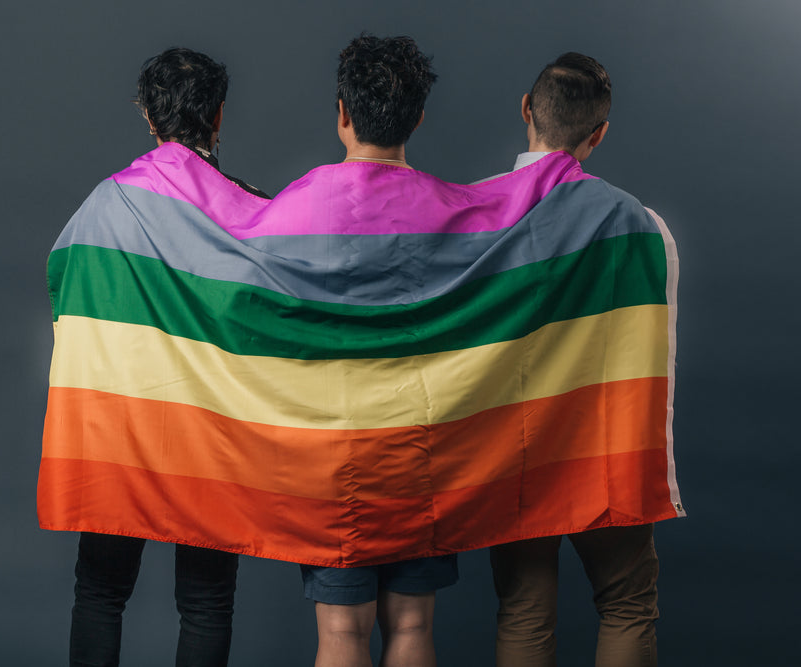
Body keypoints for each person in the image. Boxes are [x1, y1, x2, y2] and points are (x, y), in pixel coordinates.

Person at [63, 47, 267, 667]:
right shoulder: (257, 210)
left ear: (148, 117)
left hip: (122, 426)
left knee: (100, 591)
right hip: (213, 432)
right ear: (219, 117)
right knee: (207, 602)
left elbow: (67, 292)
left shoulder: (106, 204)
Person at [485, 52, 661, 667]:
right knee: (626, 604)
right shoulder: (642, 226)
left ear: (526, 110)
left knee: (523, 609)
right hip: (604, 447)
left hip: (513, 450)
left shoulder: (471, 217)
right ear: (598, 134)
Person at [296, 34, 457, 667]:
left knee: (339, 634)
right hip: (424, 445)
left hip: (334, 449)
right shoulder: (456, 210)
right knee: (414, 626)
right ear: (418, 116)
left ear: (342, 113)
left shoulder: (296, 207)